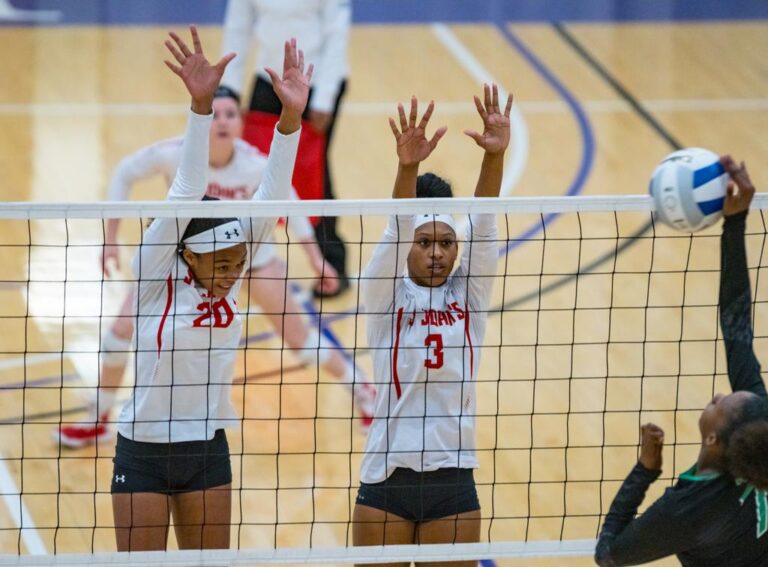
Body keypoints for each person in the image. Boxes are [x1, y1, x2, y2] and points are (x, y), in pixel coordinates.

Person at [53, 87, 374, 449]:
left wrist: (317, 260)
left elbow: (291, 200)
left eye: (231, 114)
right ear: (203, 122)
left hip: (251, 261)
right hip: (185, 264)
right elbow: (124, 172)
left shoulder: (254, 163)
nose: (222, 121)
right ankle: (98, 417)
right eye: (215, 114)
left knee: (300, 341)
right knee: (119, 332)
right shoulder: (175, 154)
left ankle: (365, 391)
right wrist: (110, 237)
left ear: (240, 123)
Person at [108, 26, 310, 551]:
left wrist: (290, 119)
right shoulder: (156, 277)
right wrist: (200, 107)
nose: (230, 273)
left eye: (237, 262)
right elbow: (185, 189)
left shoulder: (234, 272)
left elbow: (270, 195)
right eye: (218, 263)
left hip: (207, 449)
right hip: (143, 449)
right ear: (188, 253)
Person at [352, 85, 513, 564]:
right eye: (425, 242)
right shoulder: (383, 291)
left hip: (453, 475)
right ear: (409, 244)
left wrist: (494, 157)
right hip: (387, 474)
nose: (437, 252)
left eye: (446, 242)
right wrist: (407, 168)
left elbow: (484, 226)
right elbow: (394, 228)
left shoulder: (470, 290)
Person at [595, 156, 768, 566]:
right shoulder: (757, 421)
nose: (717, 393)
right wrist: (736, 222)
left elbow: (609, 555)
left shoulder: (692, 506)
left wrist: (645, 469)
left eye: (718, 403)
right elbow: (737, 321)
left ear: (713, 440)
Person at [220, 0, 351, 297]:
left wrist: (324, 98)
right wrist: (229, 92)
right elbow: (237, 27)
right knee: (252, 170)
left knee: (313, 173)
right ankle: (239, 261)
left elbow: (336, 31)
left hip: (317, 83)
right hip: (269, 79)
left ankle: (332, 264)